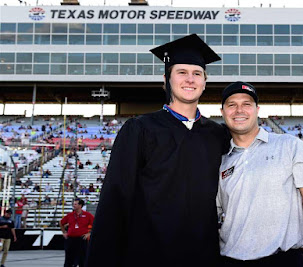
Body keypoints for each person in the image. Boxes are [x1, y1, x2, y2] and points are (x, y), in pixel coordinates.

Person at [86, 34, 229, 267]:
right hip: (148, 254)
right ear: (166, 80)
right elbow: (115, 199)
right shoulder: (139, 129)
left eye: (197, 74)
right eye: (181, 72)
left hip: (204, 255)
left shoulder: (217, 135)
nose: (190, 79)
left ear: (205, 81)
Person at [217, 81, 303, 266]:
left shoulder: (290, 146)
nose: (239, 110)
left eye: (247, 104)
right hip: (230, 259)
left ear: (257, 110)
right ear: (223, 112)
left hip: (282, 260)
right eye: (232, 105)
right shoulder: (221, 161)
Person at [60, 198, 94, 267]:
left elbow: (95, 224)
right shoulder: (70, 215)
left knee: (83, 258)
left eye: (75, 204)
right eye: (73, 204)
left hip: (81, 239)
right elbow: (61, 222)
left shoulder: (87, 215)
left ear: (80, 205)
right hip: (71, 239)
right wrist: (64, 232)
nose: (74, 205)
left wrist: (89, 233)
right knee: (69, 258)